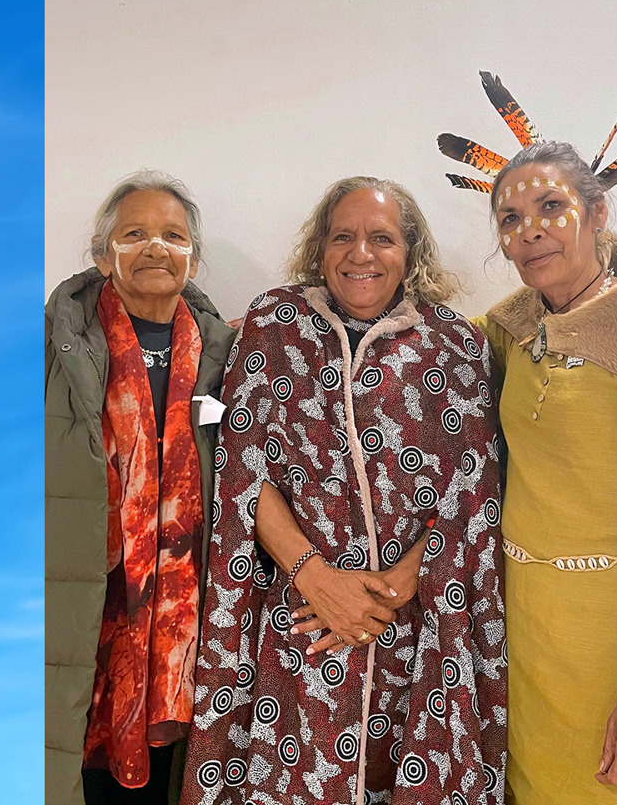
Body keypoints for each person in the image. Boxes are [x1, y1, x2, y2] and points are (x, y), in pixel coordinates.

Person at [181, 178, 508, 805]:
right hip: (299, 619)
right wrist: (317, 579)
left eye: (382, 238)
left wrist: (389, 592)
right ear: (320, 248)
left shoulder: (454, 342)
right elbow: (242, 468)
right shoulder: (274, 326)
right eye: (344, 237)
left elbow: (476, 483)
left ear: (410, 254)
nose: (361, 253)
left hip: (414, 624)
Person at [473, 141, 617, 804]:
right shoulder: (517, 329)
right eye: (510, 219)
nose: (530, 230)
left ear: (597, 213)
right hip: (528, 634)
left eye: (551, 206)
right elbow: (425, 342)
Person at [46, 171, 238, 805]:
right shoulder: (53, 347)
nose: (156, 247)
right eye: (135, 234)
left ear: (194, 258)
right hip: (80, 611)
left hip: (184, 631)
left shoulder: (227, 354)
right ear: (104, 255)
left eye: (173, 235)